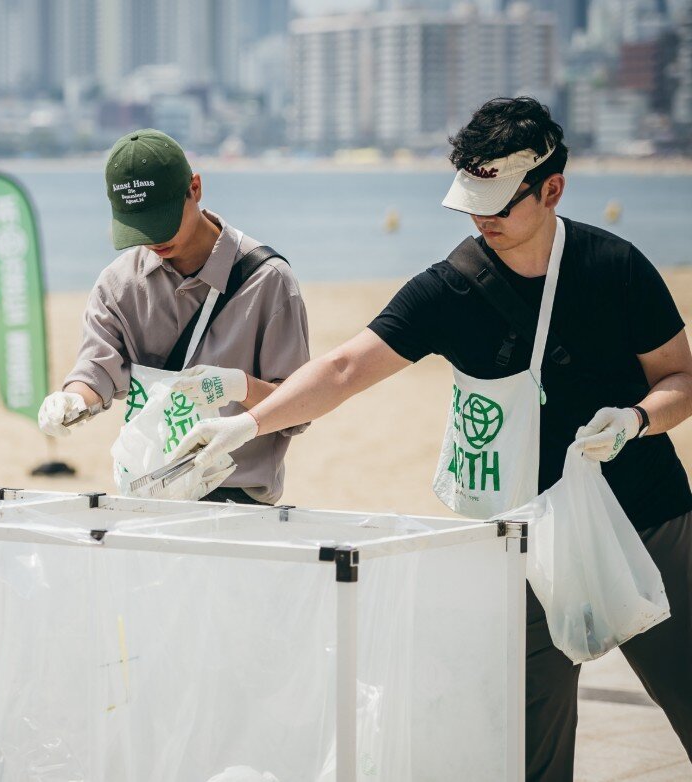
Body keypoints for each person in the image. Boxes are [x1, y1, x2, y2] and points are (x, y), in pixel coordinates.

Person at [173, 97, 692, 779]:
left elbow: (681, 376)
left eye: (500, 203)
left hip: (646, 520)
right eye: (472, 200)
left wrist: (636, 420)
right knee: (526, 747)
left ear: (553, 189)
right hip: (522, 540)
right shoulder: (454, 288)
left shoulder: (615, 268)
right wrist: (245, 424)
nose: (483, 217)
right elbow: (344, 366)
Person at [37, 129, 310, 505]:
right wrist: (72, 401)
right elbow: (97, 369)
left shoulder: (268, 280)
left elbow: (299, 408)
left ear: (194, 188)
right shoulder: (118, 284)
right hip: (146, 492)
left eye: (162, 220)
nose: (154, 239)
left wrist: (240, 386)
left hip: (237, 502)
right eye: (139, 226)